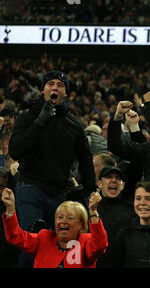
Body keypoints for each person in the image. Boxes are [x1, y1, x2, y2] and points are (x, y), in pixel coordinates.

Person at [8, 70, 96, 234]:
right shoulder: (27, 117)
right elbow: (15, 151)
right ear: (43, 90)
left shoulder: (74, 125)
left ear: (66, 93)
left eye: (60, 85)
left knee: (60, 245)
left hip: (59, 192)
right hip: (30, 187)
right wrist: (40, 121)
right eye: (50, 84)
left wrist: (89, 191)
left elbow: (85, 159)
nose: (55, 87)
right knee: (33, 241)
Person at [2, 188, 108, 268]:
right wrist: (10, 210)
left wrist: (93, 213)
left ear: (80, 224)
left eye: (70, 218)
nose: (63, 221)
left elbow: (100, 244)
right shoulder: (44, 238)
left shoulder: (86, 242)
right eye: (60, 217)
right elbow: (15, 236)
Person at [94, 166, 135, 267]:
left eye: (118, 178)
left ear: (123, 185)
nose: (114, 180)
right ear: (99, 183)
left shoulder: (133, 210)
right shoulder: (90, 209)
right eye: (108, 177)